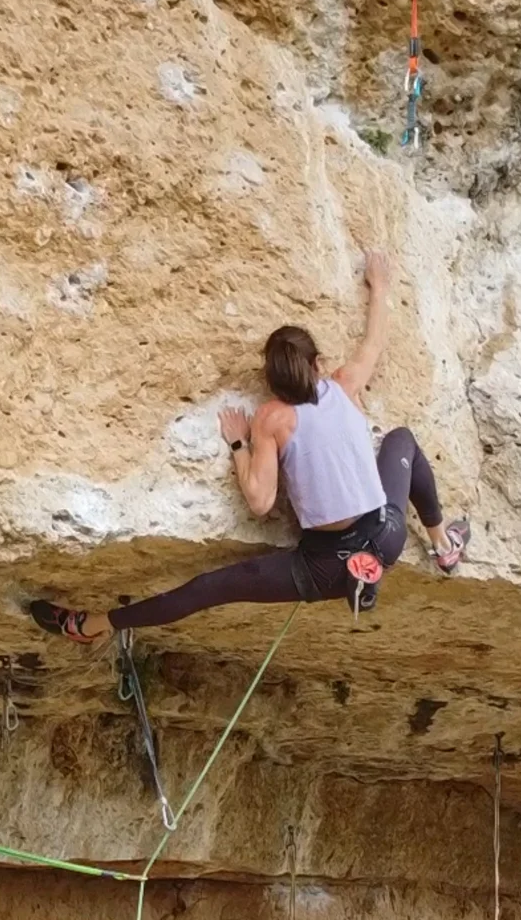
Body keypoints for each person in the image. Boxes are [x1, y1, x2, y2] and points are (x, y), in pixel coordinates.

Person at [29, 250, 470, 643]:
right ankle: (442, 544)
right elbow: (375, 340)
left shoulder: (272, 418)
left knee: (207, 590)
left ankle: (88, 627)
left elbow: (260, 502)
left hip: (324, 565)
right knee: (402, 441)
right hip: (384, 537)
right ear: (318, 364)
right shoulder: (344, 384)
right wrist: (380, 286)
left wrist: (240, 442)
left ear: (271, 383)